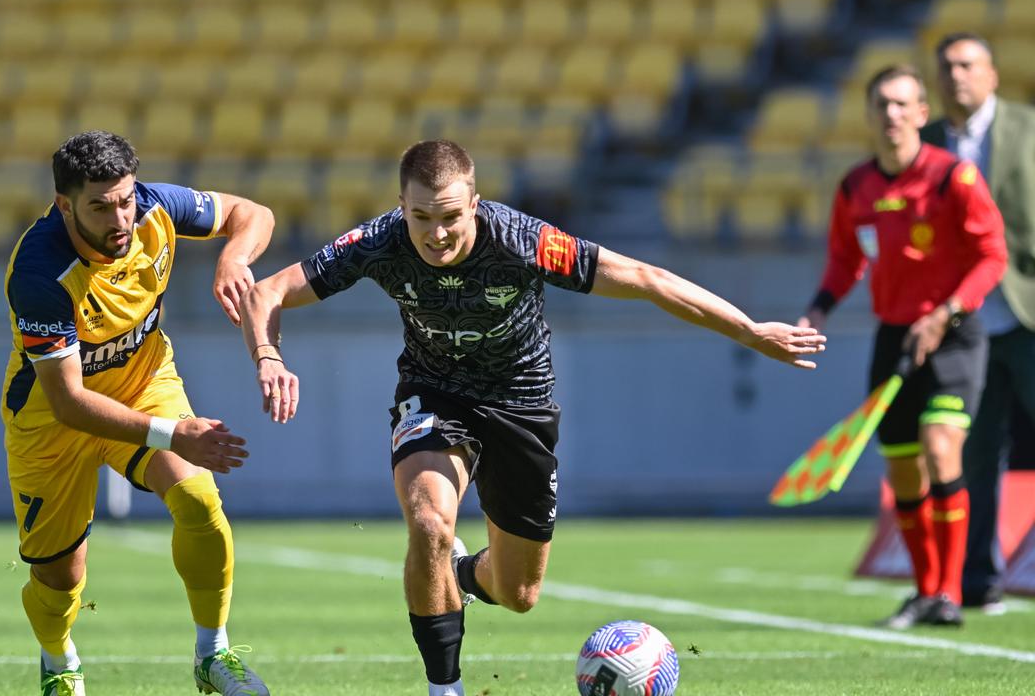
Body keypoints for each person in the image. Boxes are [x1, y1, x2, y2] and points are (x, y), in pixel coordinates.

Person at [238, 139, 827, 696]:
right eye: (421, 218)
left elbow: (648, 280)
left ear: (475, 202)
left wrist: (749, 330)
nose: (436, 234)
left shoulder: (523, 240)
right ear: (401, 208)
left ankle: (461, 577)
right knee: (429, 524)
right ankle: (445, 684)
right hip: (434, 393)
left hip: (522, 404)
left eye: (450, 216)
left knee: (518, 593)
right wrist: (268, 357)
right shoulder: (379, 240)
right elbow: (266, 293)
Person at [1, 131, 273, 696]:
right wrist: (173, 434)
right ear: (64, 205)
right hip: (53, 421)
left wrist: (233, 256)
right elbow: (69, 400)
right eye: (99, 206)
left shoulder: (156, 206)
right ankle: (59, 663)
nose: (119, 217)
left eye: (124, 199)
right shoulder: (38, 272)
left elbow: (255, 213)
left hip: (145, 384)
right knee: (59, 576)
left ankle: (213, 655)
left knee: (198, 498)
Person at [799, 66, 1007, 629]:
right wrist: (817, 309)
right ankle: (926, 592)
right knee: (904, 471)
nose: (891, 114)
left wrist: (946, 313)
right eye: (881, 105)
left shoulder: (953, 177)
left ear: (921, 113)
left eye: (902, 104)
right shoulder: (855, 187)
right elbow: (846, 260)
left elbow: (993, 256)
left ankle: (948, 593)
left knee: (942, 448)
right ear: (870, 115)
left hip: (954, 334)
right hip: (893, 337)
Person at [922, 32, 1035, 615]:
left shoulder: (1028, 127)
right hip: (965, 326)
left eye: (967, 65)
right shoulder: (927, 144)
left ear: (991, 73)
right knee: (975, 454)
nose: (956, 76)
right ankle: (977, 582)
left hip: (1027, 312)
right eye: (946, 68)